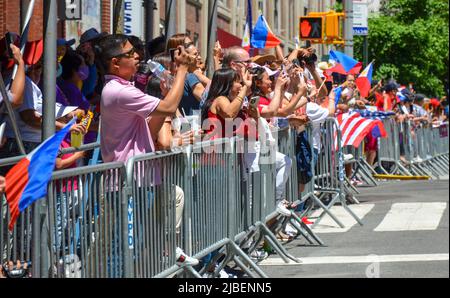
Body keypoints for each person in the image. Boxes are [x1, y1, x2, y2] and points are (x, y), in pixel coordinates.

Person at [97, 34, 198, 266]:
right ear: (115, 62)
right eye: (130, 54)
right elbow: (172, 106)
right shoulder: (119, 91)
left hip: (140, 179)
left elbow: (152, 124)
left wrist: (163, 97)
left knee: (134, 245)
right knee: (123, 248)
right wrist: (182, 69)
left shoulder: (125, 88)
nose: (137, 57)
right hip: (127, 181)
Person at [166, 34, 205, 115]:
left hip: (184, 125)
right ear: (180, 51)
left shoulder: (174, 77)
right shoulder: (190, 77)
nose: (199, 58)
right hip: (196, 125)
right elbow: (210, 99)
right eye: (189, 44)